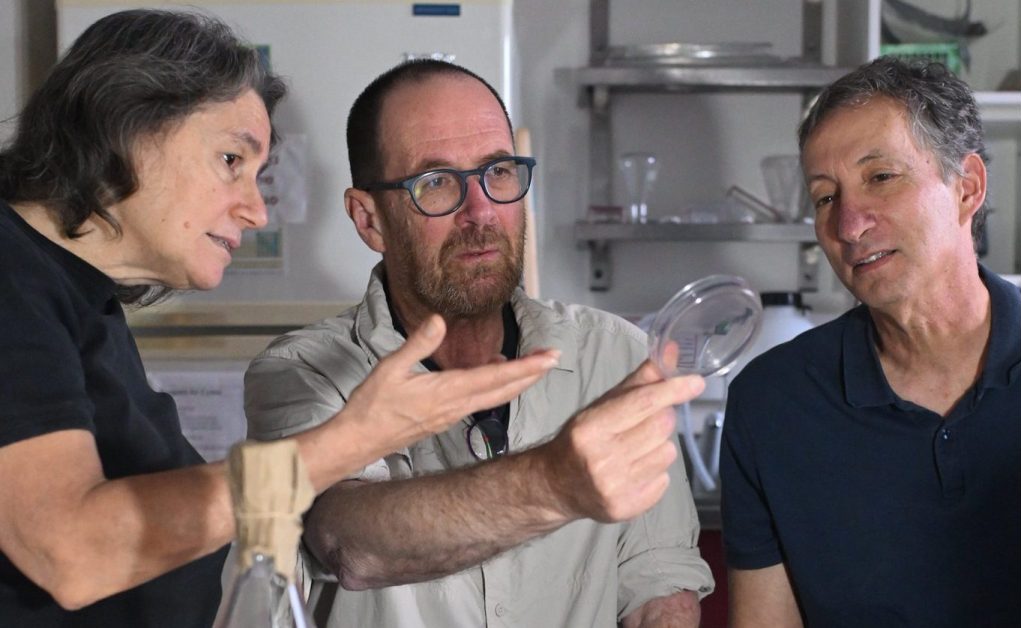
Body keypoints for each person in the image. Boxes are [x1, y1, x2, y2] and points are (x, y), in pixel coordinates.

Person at [0, 11, 558, 626]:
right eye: (231, 160)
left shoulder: (74, 295)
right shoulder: (10, 277)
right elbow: (71, 553)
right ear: (128, 124)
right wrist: (354, 438)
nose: (255, 211)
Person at [244, 59, 715, 628]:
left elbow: (659, 584)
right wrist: (552, 483)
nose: (482, 211)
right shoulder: (303, 371)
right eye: (435, 182)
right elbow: (349, 542)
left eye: (498, 171)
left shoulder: (614, 356)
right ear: (370, 220)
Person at [721, 56, 1021, 628]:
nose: (848, 224)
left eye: (880, 177)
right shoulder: (771, 404)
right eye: (825, 197)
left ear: (967, 187)